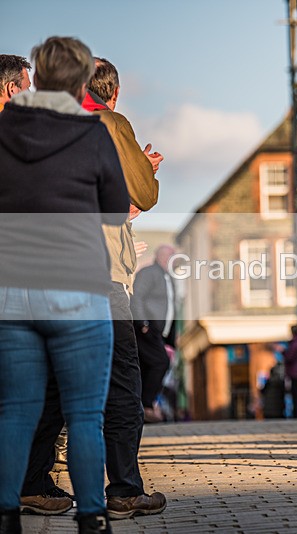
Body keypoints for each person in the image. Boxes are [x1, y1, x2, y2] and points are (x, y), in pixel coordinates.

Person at [21, 56, 167, 521]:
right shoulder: (110, 122)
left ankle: (32, 483)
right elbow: (143, 196)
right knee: (123, 380)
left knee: (56, 386)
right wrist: (143, 167)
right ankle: (124, 489)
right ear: (113, 92)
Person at [0, 36, 129, 532]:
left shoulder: (2, 128)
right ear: (78, 82)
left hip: (12, 291)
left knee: (15, 411)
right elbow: (117, 207)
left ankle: (8, 514)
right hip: (78, 288)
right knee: (83, 415)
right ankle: (92, 519)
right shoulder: (91, 132)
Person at [131, 245, 178, 424]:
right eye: (169, 257)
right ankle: (147, 404)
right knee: (161, 361)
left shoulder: (168, 277)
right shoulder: (149, 272)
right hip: (146, 328)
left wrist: (172, 336)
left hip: (159, 331)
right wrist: (143, 322)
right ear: (160, 257)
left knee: (147, 366)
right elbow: (137, 297)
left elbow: (172, 307)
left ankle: (140, 406)